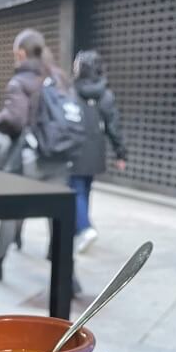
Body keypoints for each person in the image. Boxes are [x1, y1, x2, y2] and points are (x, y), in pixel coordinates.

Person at [0, 28, 74, 282]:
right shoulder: (59, 77)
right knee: (57, 214)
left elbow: (15, 121)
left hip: (31, 159)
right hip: (59, 156)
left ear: (20, 53)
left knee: (11, 207)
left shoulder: (20, 82)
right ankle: (67, 274)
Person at [69, 50, 127, 253]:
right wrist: (121, 153)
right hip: (96, 150)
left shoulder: (71, 91)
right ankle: (82, 225)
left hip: (75, 148)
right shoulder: (106, 94)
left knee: (75, 190)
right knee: (85, 189)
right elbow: (114, 126)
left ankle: (84, 228)